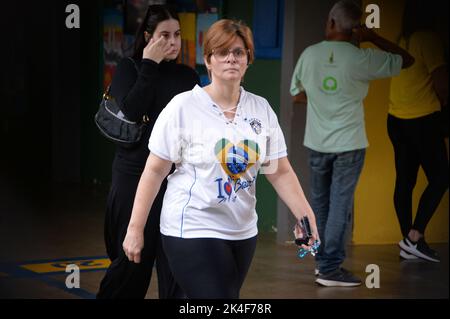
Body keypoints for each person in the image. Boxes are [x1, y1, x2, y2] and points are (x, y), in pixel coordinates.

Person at [122, 19, 319, 299]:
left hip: (242, 231)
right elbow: (154, 171)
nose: (231, 59)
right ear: (208, 60)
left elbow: (279, 171)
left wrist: (305, 215)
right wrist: (135, 229)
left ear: (248, 59)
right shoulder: (183, 107)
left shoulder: (260, 109)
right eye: (222, 52)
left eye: (239, 52)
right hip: (190, 227)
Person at [290, 0, 414, 287]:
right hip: (349, 144)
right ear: (356, 28)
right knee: (339, 206)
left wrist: (322, 97)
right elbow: (407, 61)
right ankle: (330, 269)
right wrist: (373, 39)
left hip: (317, 143)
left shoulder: (309, 55)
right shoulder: (363, 58)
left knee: (320, 205)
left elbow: (297, 94)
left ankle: (323, 265)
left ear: (332, 23)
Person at [97, 5, 199, 299]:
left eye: (177, 35)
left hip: (174, 183)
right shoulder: (129, 67)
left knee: (176, 269)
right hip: (132, 180)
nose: (173, 42)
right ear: (148, 37)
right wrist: (149, 65)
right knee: (131, 266)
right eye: (164, 35)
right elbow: (130, 111)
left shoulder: (187, 77)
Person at [388, 0, 448, 262]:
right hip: (423, 120)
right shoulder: (429, 39)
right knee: (441, 177)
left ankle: (409, 241)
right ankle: (413, 237)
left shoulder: (402, 39)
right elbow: (443, 84)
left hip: (396, 120)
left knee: (405, 181)